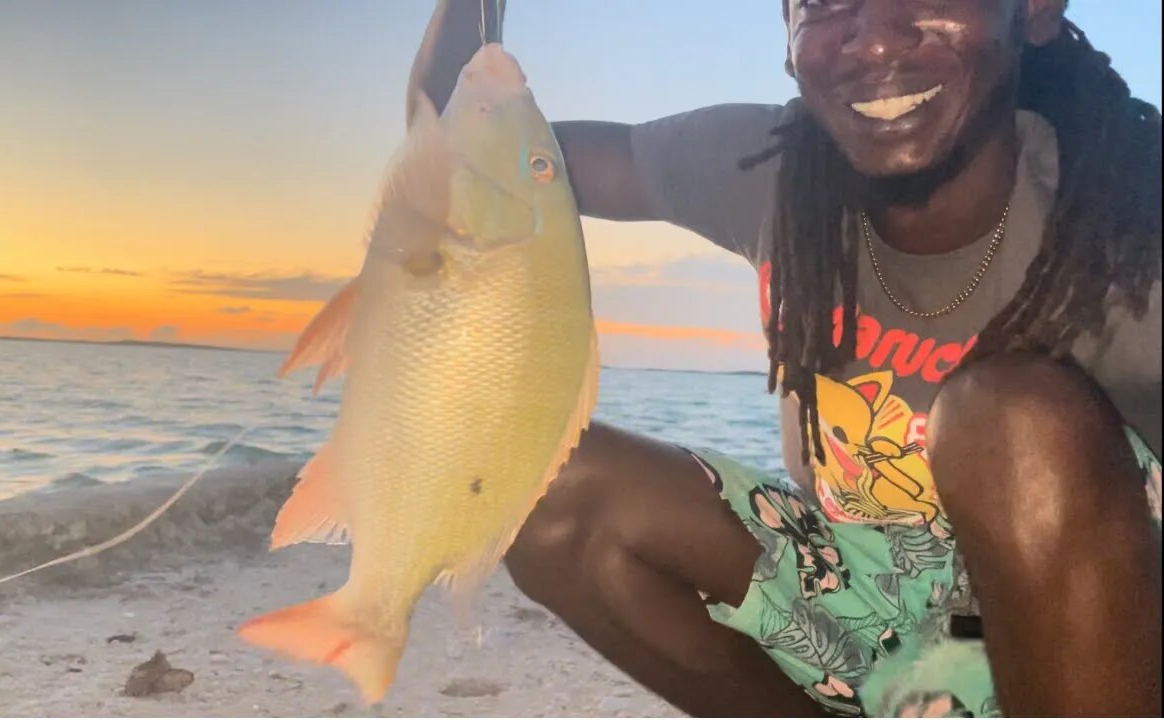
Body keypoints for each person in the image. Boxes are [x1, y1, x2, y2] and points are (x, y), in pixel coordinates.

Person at [413, 1, 1162, 716]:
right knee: (548, 494)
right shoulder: (770, 168)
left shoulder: (1126, 215)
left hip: (1108, 631)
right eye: (828, 0)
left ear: (1031, 7)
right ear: (788, 27)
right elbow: (464, 152)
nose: (874, 40)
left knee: (1003, 420)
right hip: (875, 605)